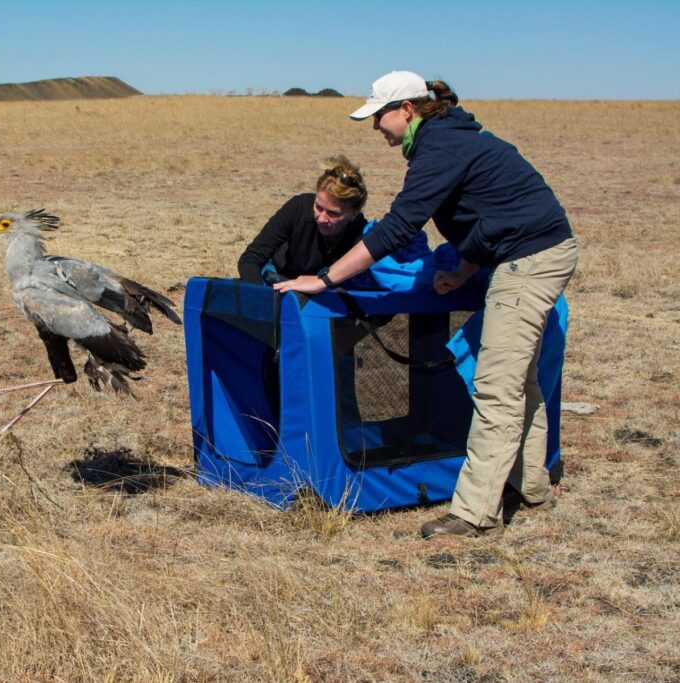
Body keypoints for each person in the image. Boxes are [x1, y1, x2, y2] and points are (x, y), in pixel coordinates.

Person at [274, 71, 579, 539]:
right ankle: (532, 486)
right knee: (523, 382)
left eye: (379, 115)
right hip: (535, 250)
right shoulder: (448, 139)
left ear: (407, 109)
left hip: (529, 260)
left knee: (496, 388)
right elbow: (495, 216)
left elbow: (398, 228)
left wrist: (325, 278)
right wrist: (464, 271)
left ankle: (476, 514)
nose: (376, 126)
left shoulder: (440, 147)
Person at [237, 156, 370, 285]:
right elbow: (251, 258)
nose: (322, 218)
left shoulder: (362, 232)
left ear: (353, 214)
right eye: (318, 207)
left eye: (333, 213)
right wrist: (260, 294)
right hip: (281, 279)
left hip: (328, 291)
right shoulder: (298, 209)